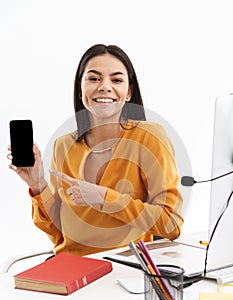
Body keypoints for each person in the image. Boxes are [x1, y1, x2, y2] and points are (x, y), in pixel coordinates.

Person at [8, 44, 183, 256]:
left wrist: (104, 198)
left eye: (116, 80)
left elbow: (171, 225)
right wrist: (38, 185)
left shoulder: (149, 138)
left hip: (125, 267)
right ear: (80, 90)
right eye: (94, 78)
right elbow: (59, 233)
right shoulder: (63, 145)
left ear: (128, 93)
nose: (104, 87)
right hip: (72, 266)